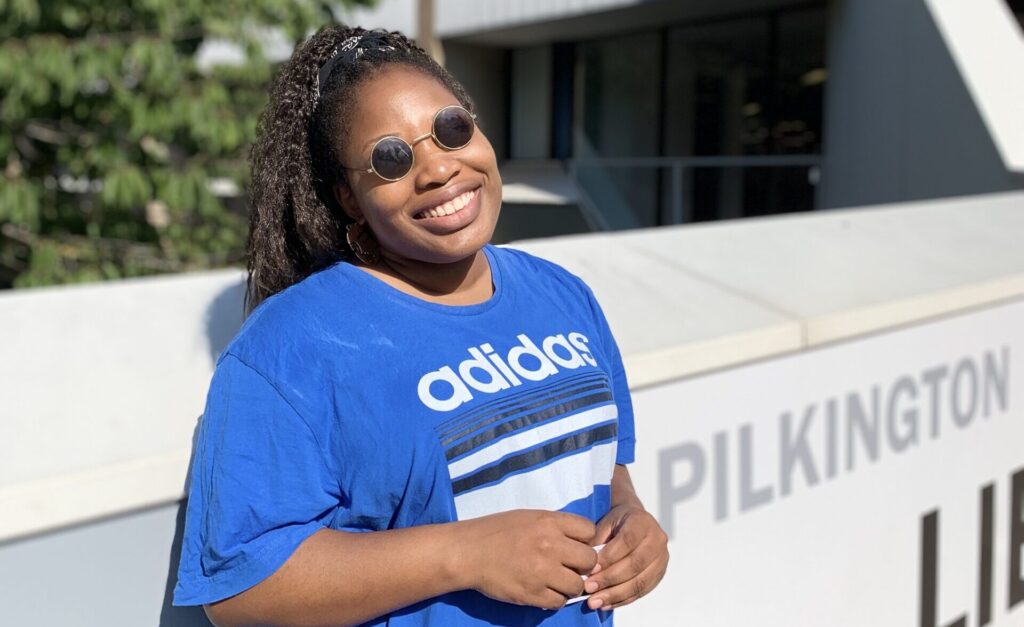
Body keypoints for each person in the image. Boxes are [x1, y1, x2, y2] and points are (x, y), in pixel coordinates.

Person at [172, 25, 669, 627]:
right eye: (391, 158)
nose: (437, 169)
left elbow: (604, 464)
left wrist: (631, 523)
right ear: (349, 198)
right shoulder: (291, 346)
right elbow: (242, 591)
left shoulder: (562, 293)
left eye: (452, 129)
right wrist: (466, 554)